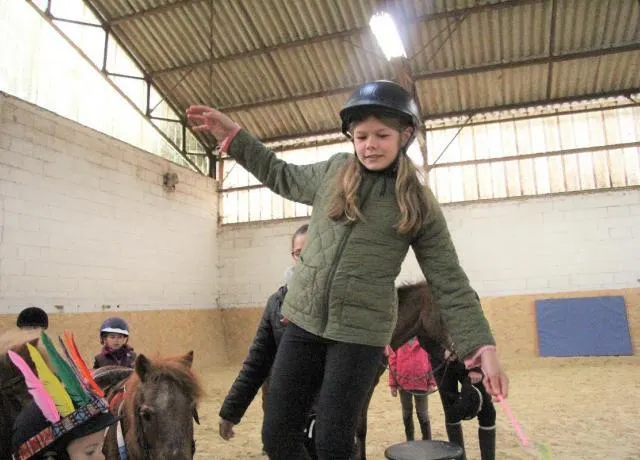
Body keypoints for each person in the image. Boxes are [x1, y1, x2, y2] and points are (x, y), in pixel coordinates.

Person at [186, 80, 508, 460]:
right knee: (277, 436)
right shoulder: (334, 171)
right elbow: (280, 174)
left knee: (334, 444)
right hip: (304, 321)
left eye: (381, 135)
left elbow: (449, 281)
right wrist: (236, 138)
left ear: (405, 135)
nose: (370, 145)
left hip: (360, 335)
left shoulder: (418, 203)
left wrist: (481, 347)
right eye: (361, 136)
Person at [218, 224, 309, 443]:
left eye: (311, 251)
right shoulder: (276, 303)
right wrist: (230, 411)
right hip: (286, 409)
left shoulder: (339, 300)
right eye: (299, 253)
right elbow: (257, 362)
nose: (304, 259)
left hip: (326, 413)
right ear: (293, 256)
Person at [419, 336, 496, 460]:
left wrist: (476, 367)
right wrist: (441, 352)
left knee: (488, 412)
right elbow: (422, 335)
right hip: (441, 363)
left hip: (469, 360)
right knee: (452, 414)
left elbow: (476, 331)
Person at [387, 337, 436, 442]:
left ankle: (427, 440)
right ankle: (410, 439)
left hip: (421, 383)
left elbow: (431, 362)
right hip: (403, 384)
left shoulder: (424, 341)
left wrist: (432, 382)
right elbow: (392, 363)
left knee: (423, 413)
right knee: (406, 413)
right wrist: (393, 385)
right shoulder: (398, 342)